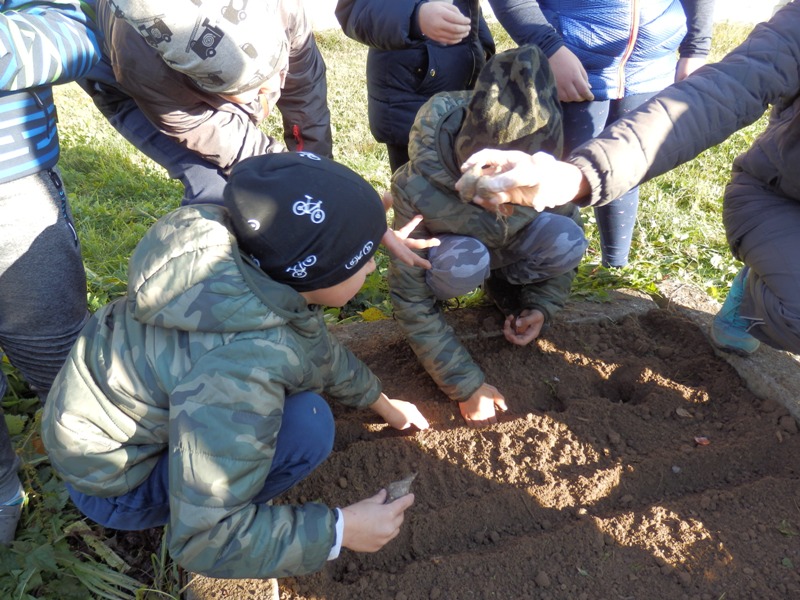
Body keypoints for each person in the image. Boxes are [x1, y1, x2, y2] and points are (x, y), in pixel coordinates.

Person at [41, 151, 430, 578]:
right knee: (308, 426)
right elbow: (204, 541)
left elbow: (314, 346)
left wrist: (381, 402)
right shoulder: (241, 365)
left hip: (104, 432)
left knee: (294, 403)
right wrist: (340, 530)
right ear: (316, 275)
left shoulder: (243, 278)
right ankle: (239, 509)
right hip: (118, 486)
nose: (374, 264)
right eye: (364, 258)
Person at [455, 0, 800, 357]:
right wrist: (577, 176)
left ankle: (615, 264)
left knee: (577, 220)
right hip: (583, 61)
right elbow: (719, 95)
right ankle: (766, 285)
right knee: (570, 207)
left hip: (647, 60)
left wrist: (543, 303)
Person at [388, 45, 588, 428]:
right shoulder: (416, 186)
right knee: (465, 262)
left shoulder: (541, 168)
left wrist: (542, 306)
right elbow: (409, 299)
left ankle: (506, 291)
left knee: (568, 238)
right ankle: (472, 279)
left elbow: (567, 227)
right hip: (456, 258)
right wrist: (465, 385)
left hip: (509, 250)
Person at [487, 0, 715, 267]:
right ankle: (541, 273)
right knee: (554, 173)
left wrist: (696, 48)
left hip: (650, 66)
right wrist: (549, 48)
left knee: (625, 168)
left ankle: (616, 267)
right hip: (569, 65)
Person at [0, 0, 100, 544]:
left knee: (57, 352)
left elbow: (74, 32)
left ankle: (101, 465)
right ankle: (2, 491)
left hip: (12, 197)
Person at [79, 0, 332, 205]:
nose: (273, 89)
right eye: (251, 90)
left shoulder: (284, 8)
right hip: (126, 83)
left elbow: (305, 96)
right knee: (215, 187)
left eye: (275, 70)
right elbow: (232, 144)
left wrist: (318, 173)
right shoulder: (144, 68)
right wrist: (289, 178)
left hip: (172, 76)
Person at [335, 0, 495, 173]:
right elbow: (353, 10)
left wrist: (483, 43)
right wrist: (415, 17)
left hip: (465, 98)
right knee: (417, 187)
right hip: (411, 102)